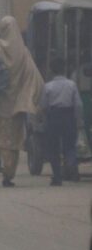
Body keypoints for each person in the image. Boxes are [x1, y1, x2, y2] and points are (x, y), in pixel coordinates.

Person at [0, 16, 44, 187]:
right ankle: (8, 175)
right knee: (10, 143)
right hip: (13, 108)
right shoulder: (23, 52)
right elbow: (36, 79)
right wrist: (30, 99)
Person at [40, 58, 83, 186]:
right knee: (69, 146)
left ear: (52, 70)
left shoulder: (48, 86)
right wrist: (78, 120)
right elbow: (78, 105)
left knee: (53, 148)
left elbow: (43, 105)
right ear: (64, 69)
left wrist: (45, 118)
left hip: (54, 117)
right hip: (69, 116)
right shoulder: (72, 85)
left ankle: (57, 177)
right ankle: (72, 169)